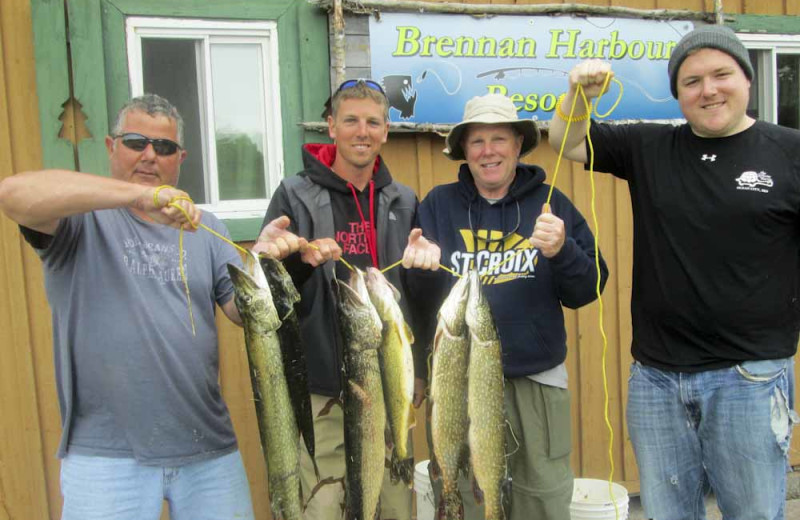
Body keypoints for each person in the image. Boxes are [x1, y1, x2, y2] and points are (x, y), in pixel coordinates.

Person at [549, 24, 800, 519]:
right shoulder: (650, 147)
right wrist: (578, 95)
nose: (708, 90)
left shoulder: (789, 152)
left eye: (721, 74)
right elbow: (565, 142)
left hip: (748, 378)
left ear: (746, 81)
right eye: (692, 81)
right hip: (656, 379)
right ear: (678, 95)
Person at [0, 94, 255, 520]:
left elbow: (243, 313)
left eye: (165, 147)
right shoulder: (79, 220)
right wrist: (134, 198)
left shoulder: (207, 228)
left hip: (207, 450)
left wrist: (273, 268)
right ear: (110, 146)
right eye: (136, 142)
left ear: (181, 157)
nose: (150, 155)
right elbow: (12, 195)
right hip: (106, 457)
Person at [252, 78, 440, 520]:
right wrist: (296, 262)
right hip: (322, 388)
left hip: (389, 383)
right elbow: (269, 294)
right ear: (330, 126)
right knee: (322, 507)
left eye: (373, 122)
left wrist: (418, 369)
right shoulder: (293, 194)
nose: (363, 131)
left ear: (386, 131)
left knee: (393, 503)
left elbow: (415, 297)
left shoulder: (404, 199)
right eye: (351, 120)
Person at [415, 92, 608, 520]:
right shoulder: (437, 206)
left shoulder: (551, 202)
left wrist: (563, 251)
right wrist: (419, 268)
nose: (489, 151)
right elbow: (420, 303)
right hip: (457, 384)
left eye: (499, 139)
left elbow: (590, 287)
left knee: (542, 500)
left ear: (518, 145)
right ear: (463, 149)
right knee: (462, 495)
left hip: (536, 385)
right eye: (477, 141)